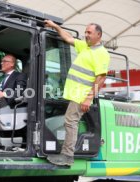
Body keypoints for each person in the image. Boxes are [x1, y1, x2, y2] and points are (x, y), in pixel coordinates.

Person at [44, 20, 110, 166]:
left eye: (89, 32)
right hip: (75, 93)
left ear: (98, 35)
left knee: (70, 122)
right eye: (85, 32)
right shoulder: (85, 47)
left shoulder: (101, 53)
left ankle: (67, 156)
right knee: (70, 122)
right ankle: (66, 155)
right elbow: (68, 38)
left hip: (82, 95)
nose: (86, 35)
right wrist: (55, 26)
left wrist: (88, 98)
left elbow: (101, 78)